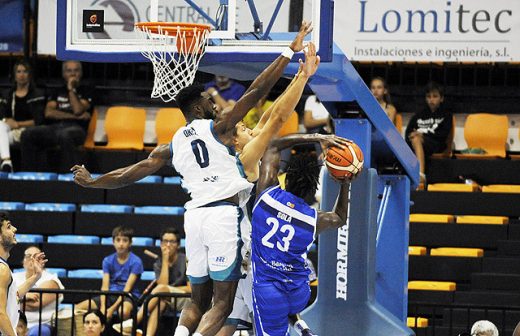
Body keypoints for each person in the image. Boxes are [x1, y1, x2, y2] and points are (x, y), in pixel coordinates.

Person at [71, 21, 312, 336]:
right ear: (199, 107)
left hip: (194, 218)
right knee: (223, 304)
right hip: (225, 218)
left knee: (198, 299)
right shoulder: (220, 129)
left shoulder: (172, 144)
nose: (215, 105)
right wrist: (289, 53)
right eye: (210, 101)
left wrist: (93, 182)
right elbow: (257, 95)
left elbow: (130, 173)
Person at [250, 137, 353, 335]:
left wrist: (318, 138)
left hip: (269, 290)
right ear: (313, 189)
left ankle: (300, 327)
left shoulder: (266, 195)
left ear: (286, 180)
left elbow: (273, 144)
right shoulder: (314, 219)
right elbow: (340, 217)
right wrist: (345, 183)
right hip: (299, 293)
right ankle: (303, 328)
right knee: (287, 298)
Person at [114, 228, 190, 336]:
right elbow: (162, 284)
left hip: (187, 299)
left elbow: (190, 288)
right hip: (167, 298)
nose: (168, 245)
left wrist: (168, 290)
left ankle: (135, 321)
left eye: (172, 241)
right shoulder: (159, 263)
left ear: (178, 245)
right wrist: (165, 260)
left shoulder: (185, 260)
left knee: (161, 291)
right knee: (159, 303)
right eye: (165, 241)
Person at [20, 60, 93, 173]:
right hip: (55, 127)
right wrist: (74, 116)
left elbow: (78, 109)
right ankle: (28, 175)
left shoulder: (86, 90)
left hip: (77, 129)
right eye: (69, 71)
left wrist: (71, 90)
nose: (73, 74)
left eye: (76, 70)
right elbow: (49, 112)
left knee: (65, 135)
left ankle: (69, 177)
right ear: (64, 74)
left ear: (81, 73)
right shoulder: (57, 91)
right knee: (27, 134)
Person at [76, 225, 143, 321]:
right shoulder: (107, 260)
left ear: (130, 243)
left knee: (123, 311)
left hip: (129, 296)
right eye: (118, 240)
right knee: (78, 308)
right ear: (113, 242)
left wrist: (111, 309)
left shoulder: (136, 261)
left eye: (125, 240)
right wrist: (103, 307)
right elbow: (105, 286)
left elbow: (127, 289)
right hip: (111, 294)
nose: (121, 244)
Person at [0, 212, 47, 336]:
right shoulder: (1, 269)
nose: (15, 229)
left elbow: (13, 296)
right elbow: (0, 313)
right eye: (9, 226)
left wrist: (36, 276)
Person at [0, 60, 45, 172]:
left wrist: (18, 124)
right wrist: (7, 120)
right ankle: (7, 162)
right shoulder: (8, 94)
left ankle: (6, 162)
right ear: (14, 75)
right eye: (18, 71)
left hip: (29, 131)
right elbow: (2, 116)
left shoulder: (37, 94)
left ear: (30, 75)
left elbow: (38, 120)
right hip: (10, 131)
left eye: (25, 71)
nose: (21, 75)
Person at [405, 82, 453, 184]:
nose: (431, 100)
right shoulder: (418, 115)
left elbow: (443, 134)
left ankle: (421, 175)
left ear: (441, 98)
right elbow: (408, 133)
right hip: (418, 142)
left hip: (436, 143)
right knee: (414, 139)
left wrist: (423, 135)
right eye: (429, 97)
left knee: (417, 139)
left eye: (435, 96)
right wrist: (415, 136)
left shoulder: (446, 115)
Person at [14, 246, 65, 336]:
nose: (32, 260)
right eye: (29, 256)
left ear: (42, 261)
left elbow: (36, 304)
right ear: (23, 261)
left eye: (36, 257)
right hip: (14, 322)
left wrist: (15, 299)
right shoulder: (13, 277)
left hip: (41, 324)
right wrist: (27, 296)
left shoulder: (52, 279)